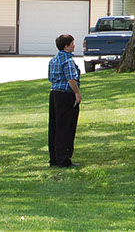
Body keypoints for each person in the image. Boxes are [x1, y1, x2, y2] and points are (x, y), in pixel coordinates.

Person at [48, 33, 82, 168]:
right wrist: (77, 93)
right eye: (72, 43)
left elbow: (50, 77)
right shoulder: (68, 61)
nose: (74, 45)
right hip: (66, 96)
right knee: (66, 126)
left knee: (55, 126)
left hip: (54, 94)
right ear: (66, 46)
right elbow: (71, 79)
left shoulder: (54, 60)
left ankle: (54, 158)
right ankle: (64, 159)